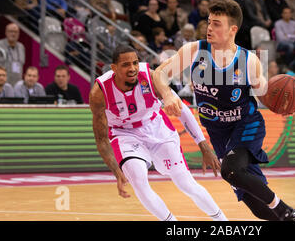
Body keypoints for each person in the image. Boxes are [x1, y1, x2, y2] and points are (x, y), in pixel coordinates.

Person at [152, 0, 295, 221]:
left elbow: (265, 94)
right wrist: (168, 94)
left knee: (230, 170)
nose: (209, 27)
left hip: (246, 125)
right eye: (209, 22)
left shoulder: (248, 61)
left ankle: (288, 213)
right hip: (218, 132)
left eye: (217, 23)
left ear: (232, 29)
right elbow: (158, 74)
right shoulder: (194, 51)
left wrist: (288, 105)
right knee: (258, 207)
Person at [89, 44, 227, 221]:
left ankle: (222, 221)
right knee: (138, 181)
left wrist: (203, 146)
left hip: (156, 126)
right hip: (124, 134)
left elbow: (182, 110)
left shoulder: (152, 77)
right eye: (125, 65)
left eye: (135, 63)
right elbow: (101, 138)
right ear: (114, 68)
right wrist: (116, 171)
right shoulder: (99, 92)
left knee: (186, 184)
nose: (132, 68)